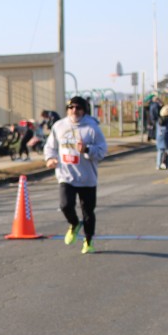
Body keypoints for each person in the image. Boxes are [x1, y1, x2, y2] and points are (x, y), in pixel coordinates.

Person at [44, 96, 108, 255]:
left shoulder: (92, 128)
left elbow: (102, 151)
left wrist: (87, 150)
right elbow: (50, 147)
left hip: (87, 178)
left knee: (88, 213)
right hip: (66, 175)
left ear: (84, 110)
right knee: (65, 205)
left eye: (78, 108)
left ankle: (88, 241)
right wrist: (50, 159)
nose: (74, 110)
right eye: (71, 107)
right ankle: (74, 224)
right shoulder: (59, 126)